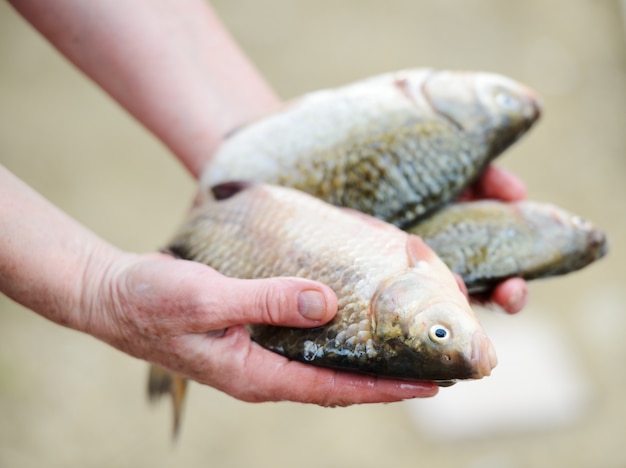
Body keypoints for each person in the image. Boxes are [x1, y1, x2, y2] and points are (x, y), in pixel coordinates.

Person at [1, 0, 527, 406]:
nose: (451, 338)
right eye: (439, 332)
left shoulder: (416, 274)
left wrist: (261, 160)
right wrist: (96, 289)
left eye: (439, 335)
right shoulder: (419, 272)